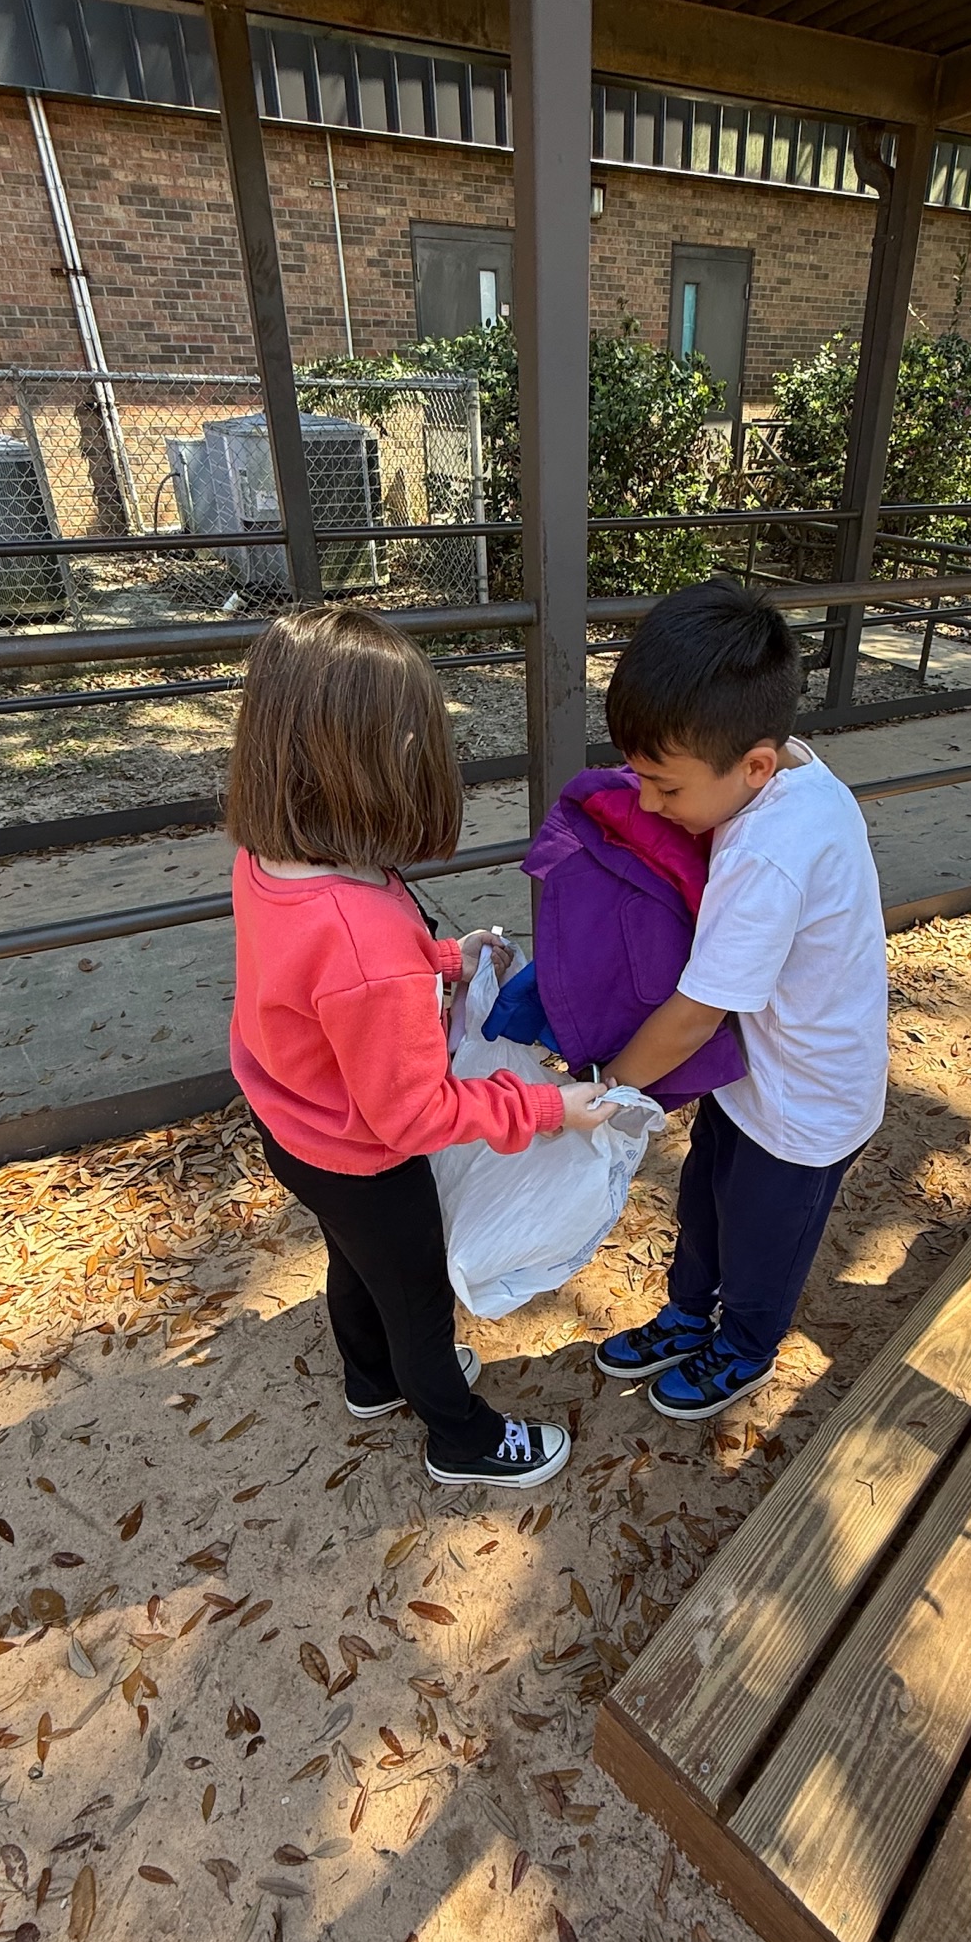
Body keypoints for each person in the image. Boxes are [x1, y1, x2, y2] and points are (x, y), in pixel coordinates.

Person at [226, 605, 612, 1488]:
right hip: (366, 1158)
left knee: (354, 1260)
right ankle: (459, 1435)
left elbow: (318, 982)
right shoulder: (361, 934)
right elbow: (412, 1113)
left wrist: (437, 962)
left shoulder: (268, 858)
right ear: (376, 759)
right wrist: (547, 1108)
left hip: (293, 1126)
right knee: (417, 1299)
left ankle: (370, 1379)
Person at [596, 577, 888, 1420]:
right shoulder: (788, 771)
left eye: (666, 787)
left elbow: (696, 1013)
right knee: (705, 1202)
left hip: (804, 1105)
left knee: (764, 1240)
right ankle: (689, 1314)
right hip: (752, 1075)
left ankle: (746, 1346)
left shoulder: (769, 854)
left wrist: (609, 1088)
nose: (648, 802)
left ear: (754, 764)